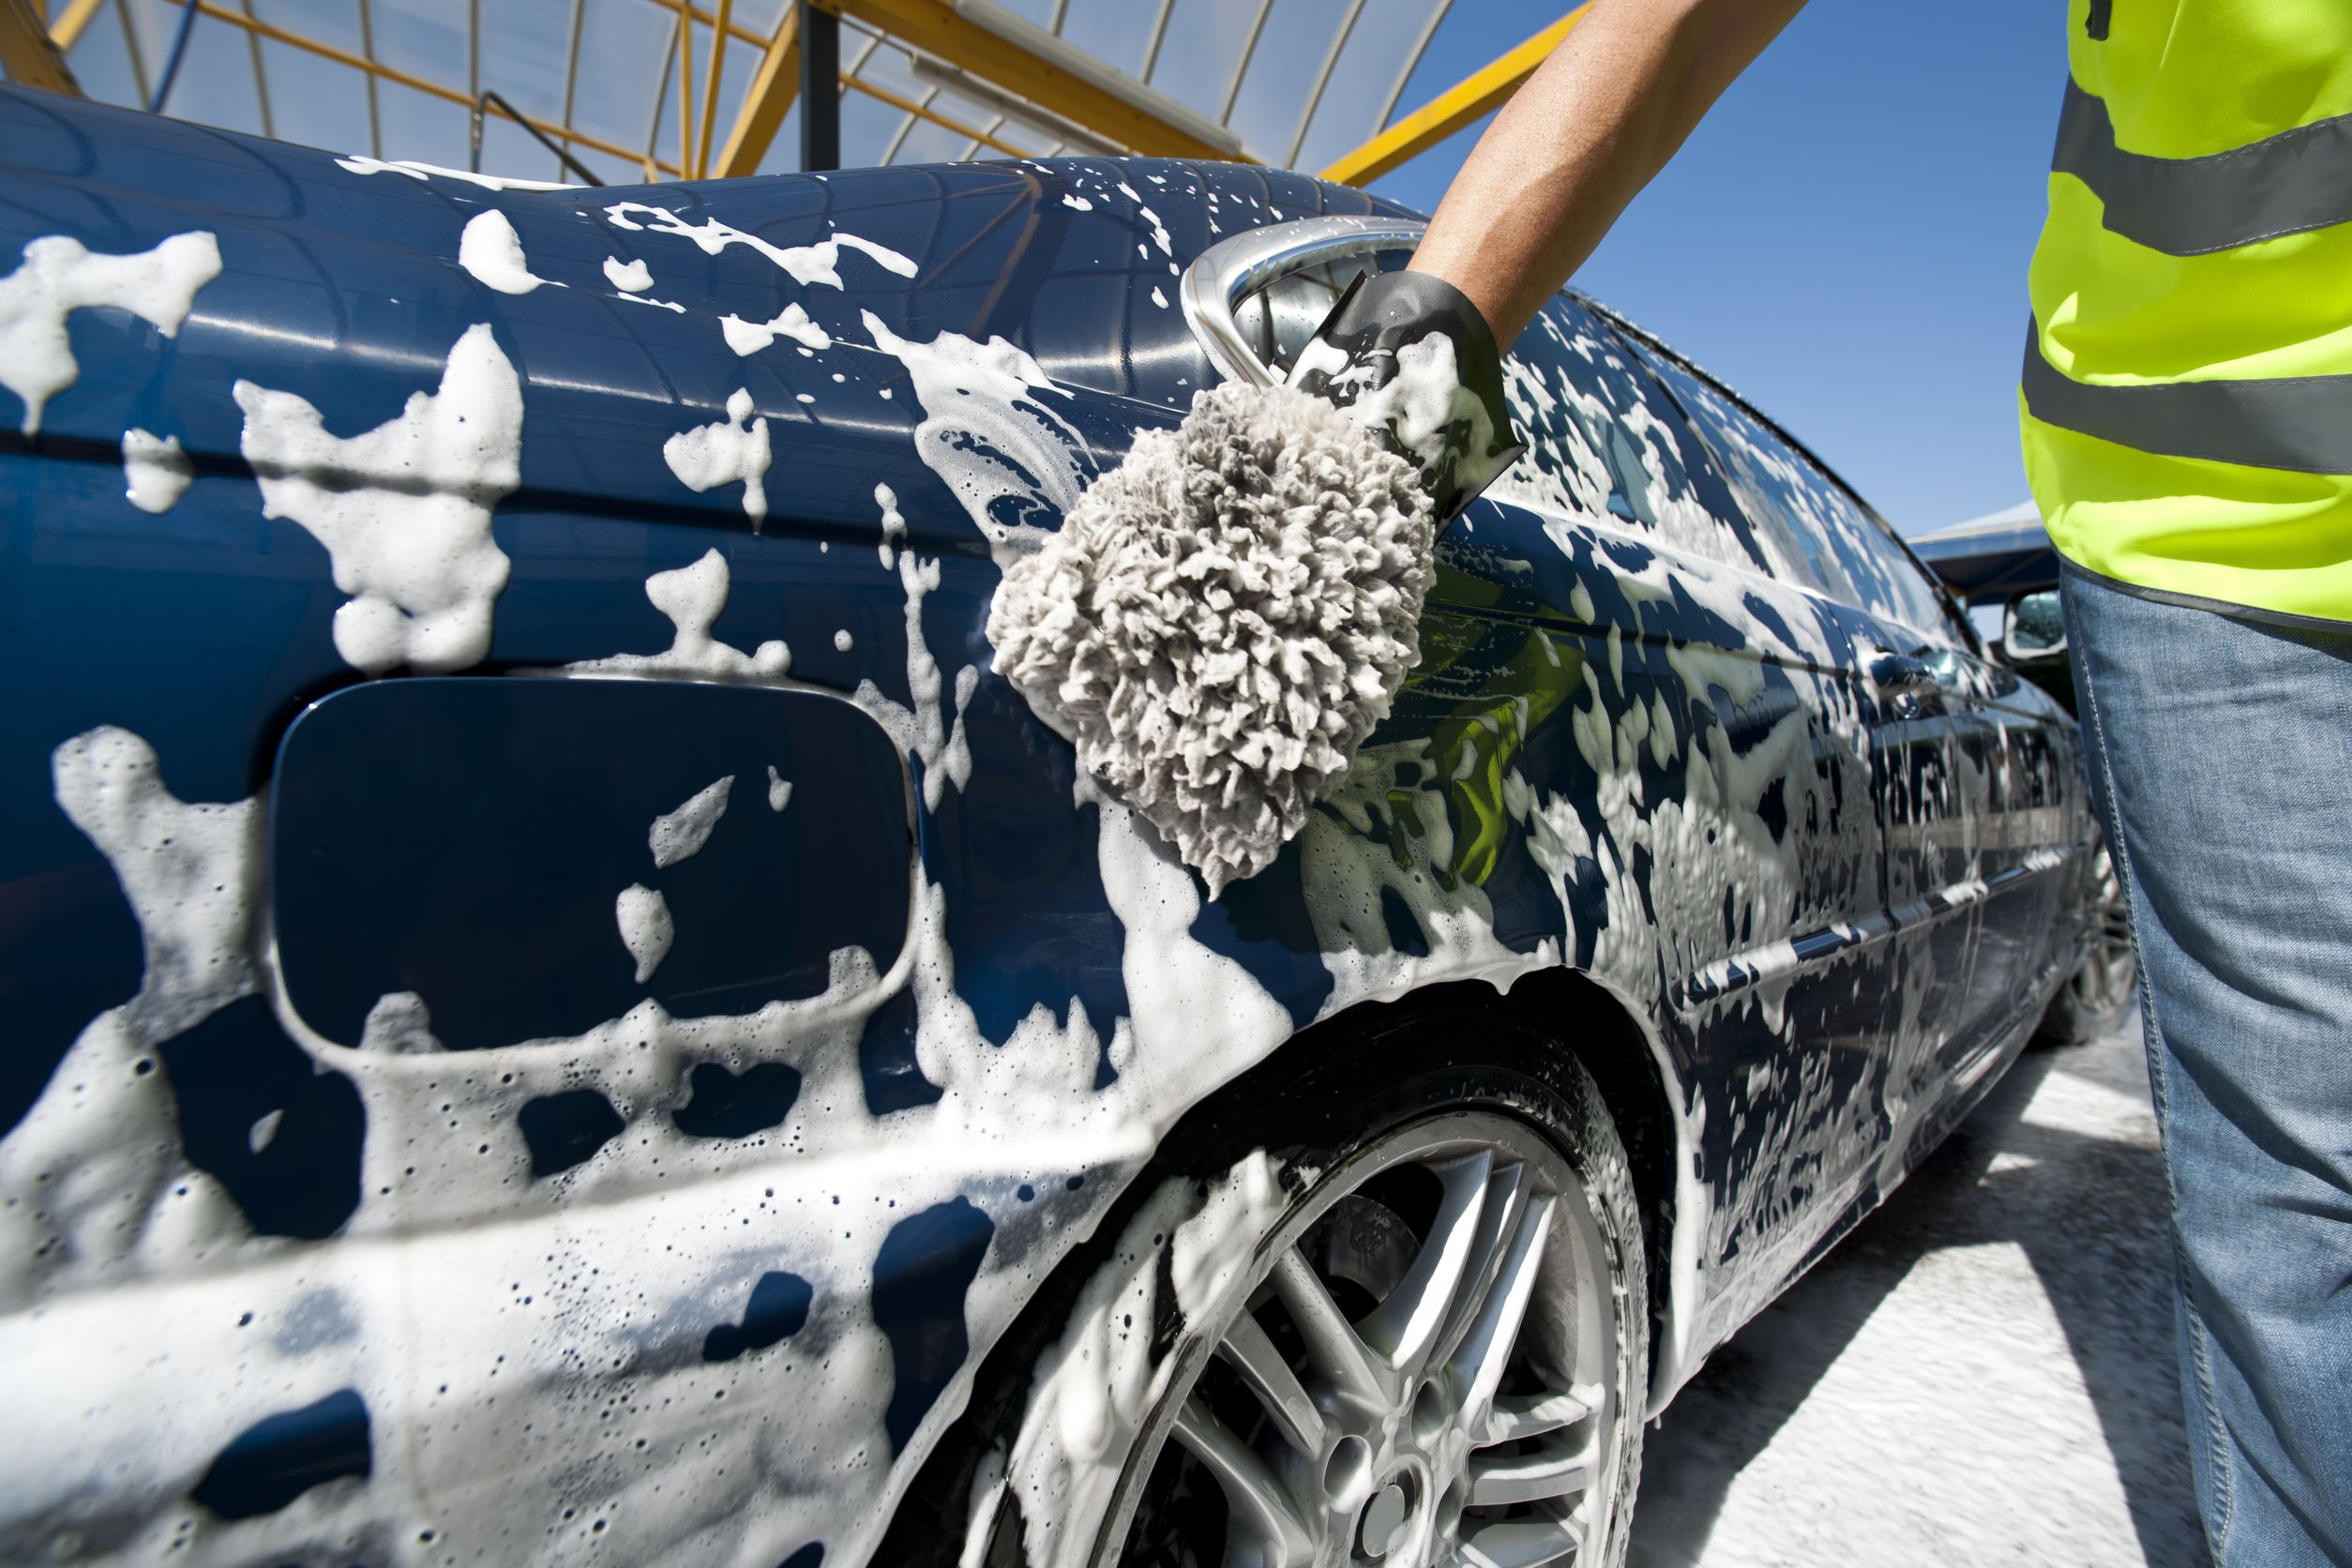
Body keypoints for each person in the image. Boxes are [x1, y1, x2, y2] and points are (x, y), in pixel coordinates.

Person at [1297, 2, 2352, 1562]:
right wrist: (1410, 370)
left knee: (2310, 1189)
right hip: (2234, 500)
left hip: (2204, 488)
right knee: (2310, 1190)